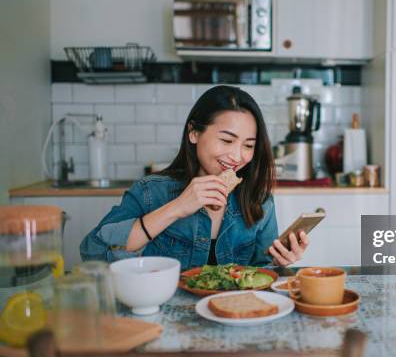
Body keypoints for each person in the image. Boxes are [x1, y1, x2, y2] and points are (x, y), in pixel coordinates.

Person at [80, 85, 309, 270]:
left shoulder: (259, 200)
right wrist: (177, 208)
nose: (238, 156)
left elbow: (260, 270)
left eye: (248, 145)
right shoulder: (151, 192)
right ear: (194, 132)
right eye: (227, 141)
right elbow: (93, 253)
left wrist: (279, 264)